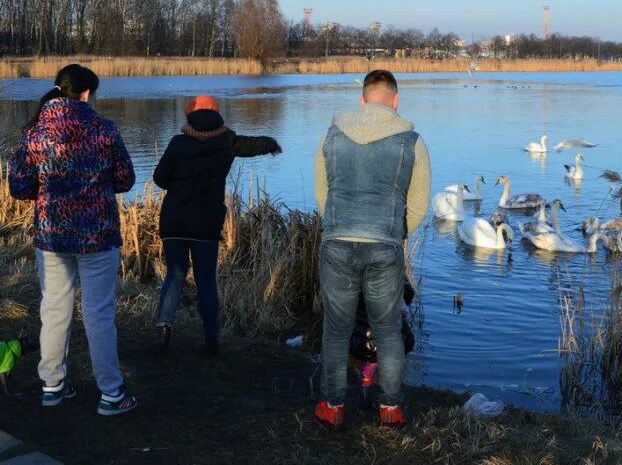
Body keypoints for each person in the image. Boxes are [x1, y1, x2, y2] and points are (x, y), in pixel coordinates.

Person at [8, 63, 137, 416]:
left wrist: (48, 188)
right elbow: (125, 179)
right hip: (97, 235)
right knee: (98, 314)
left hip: (52, 235)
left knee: (53, 309)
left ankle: (52, 385)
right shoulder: (105, 130)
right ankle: (111, 393)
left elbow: (18, 186)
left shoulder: (35, 132)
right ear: (86, 93)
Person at [313, 69, 431, 428]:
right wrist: (394, 232)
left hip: (337, 243)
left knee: (335, 330)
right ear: (395, 101)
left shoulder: (331, 136)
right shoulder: (411, 141)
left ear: (362, 99)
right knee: (388, 330)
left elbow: (324, 195)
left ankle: (333, 407)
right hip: (384, 245)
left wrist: (338, 227)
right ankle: (390, 408)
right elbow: (420, 204)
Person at [152, 95, 281, 357]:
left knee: (175, 276)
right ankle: (212, 338)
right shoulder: (226, 141)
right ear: (217, 115)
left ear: (190, 114)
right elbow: (253, 144)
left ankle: (163, 331)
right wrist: (273, 144)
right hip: (206, 224)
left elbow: (159, 179)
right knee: (206, 281)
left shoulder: (178, 142)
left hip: (175, 221)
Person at [349, 278, 416, 411]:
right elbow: (408, 295)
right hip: (391, 335)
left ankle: (365, 404)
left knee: (368, 369)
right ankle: (389, 410)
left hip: (366, 336)